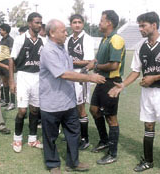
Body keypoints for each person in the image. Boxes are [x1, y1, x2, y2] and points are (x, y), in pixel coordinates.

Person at [109, 11, 160, 173]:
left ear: (154, 25)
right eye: (139, 26)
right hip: (148, 93)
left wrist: (154, 78)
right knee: (148, 125)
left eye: (143, 26)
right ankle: (148, 161)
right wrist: (123, 85)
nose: (140, 29)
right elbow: (136, 71)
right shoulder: (141, 46)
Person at [40, 19, 105, 174]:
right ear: (52, 33)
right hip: (52, 102)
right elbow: (63, 74)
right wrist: (90, 78)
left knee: (74, 133)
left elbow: (70, 69)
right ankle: (53, 164)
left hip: (68, 101)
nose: (66, 33)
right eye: (63, 31)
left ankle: (73, 162)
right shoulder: (48, 51)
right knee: (50, 136)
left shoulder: (63, 48)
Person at [85, 10, 125, 165]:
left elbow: (114, 64)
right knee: (94, 110)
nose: (99, 23)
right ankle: (104, 140)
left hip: (111, 82)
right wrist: (93, 62)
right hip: (102, 80)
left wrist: (96, 66)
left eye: (101, 20)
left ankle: (113, 153)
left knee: (111, 117)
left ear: (109, 23)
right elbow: (99, 59)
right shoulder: (105, 39)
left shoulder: (116, 39)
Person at [9, 12, 45, 153]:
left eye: (40, 22)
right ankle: (17, 139)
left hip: (38, 77)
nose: (39, 25)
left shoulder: (43, 41)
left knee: (35, 110)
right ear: (30, 23)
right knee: (23, 110)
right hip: (23, 76)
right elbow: (11, 60)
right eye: (36, 22)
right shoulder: (20, 39)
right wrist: (12, 81)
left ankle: (32, 139)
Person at [65, 14, 95, 150]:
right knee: (70, 106)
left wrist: (72, 62)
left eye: (79, 22)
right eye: (74, 22)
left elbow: (89, 61)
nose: (77, 25)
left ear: (83, 24)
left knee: (80, 107)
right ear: (70, 24)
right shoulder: (67, 39)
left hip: (81, 75)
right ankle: (73, 135)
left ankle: (85, 138)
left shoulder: (87, 39)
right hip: (68, 74)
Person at [0, 23, 15, 111]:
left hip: (7, 64)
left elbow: (12, 54)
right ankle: (6, 101)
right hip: (1, 64)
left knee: (11, 83)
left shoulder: (10, 40)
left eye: (1, 30)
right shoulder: (2, 40)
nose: (0, 31)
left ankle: (13, 102)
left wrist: (12, 66)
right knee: (4, 82)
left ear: (5, 31)